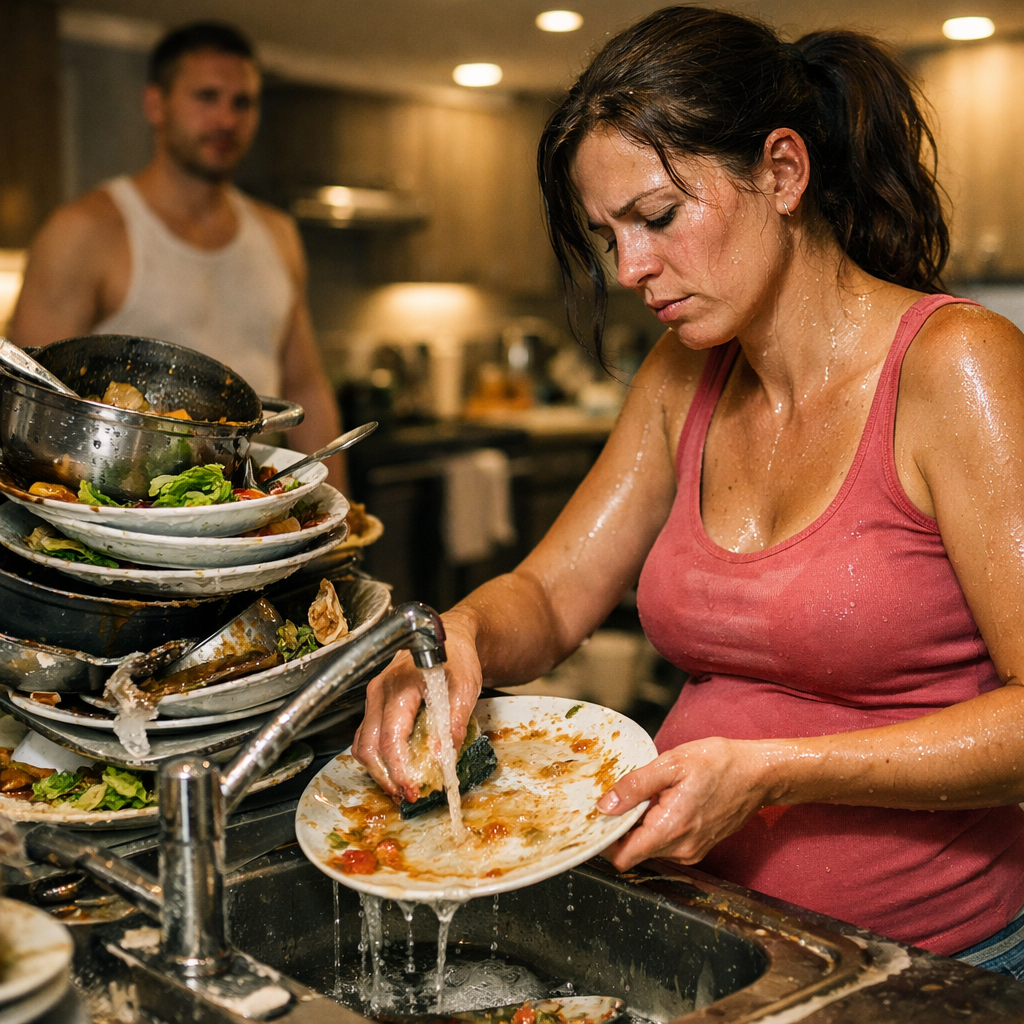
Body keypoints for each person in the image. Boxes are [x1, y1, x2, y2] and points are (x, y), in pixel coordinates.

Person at [352, 6, 1024, 979]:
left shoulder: (956, 364)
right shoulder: (684, 371)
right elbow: (549, 596)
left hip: (923, 964)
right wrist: (459, 637)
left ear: (782, 172)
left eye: (658, 217)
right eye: (608, 235)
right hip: (703, 931)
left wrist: (772, 772)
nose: (631, 269)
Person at [10, 22, 344, 488]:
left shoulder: (278, 234)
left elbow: (306, 388)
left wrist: (337, 515)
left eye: (242, 102)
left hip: (254, 505)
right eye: (207, 97)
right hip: (120, 511)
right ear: (156, 104)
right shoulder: (84, 231)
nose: (226, 119)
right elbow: (29, 401)